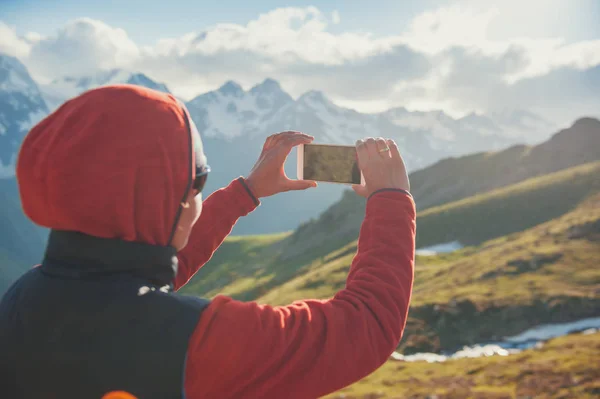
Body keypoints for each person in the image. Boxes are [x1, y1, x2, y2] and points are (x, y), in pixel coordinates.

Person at [0, 84, 416, 399]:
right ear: (162, 199)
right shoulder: (193, 343)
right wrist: (391, 199)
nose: (199, 195)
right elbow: (366, 325)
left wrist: (245, 193)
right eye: (197, 181)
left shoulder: (27, 295)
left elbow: (137, 271)